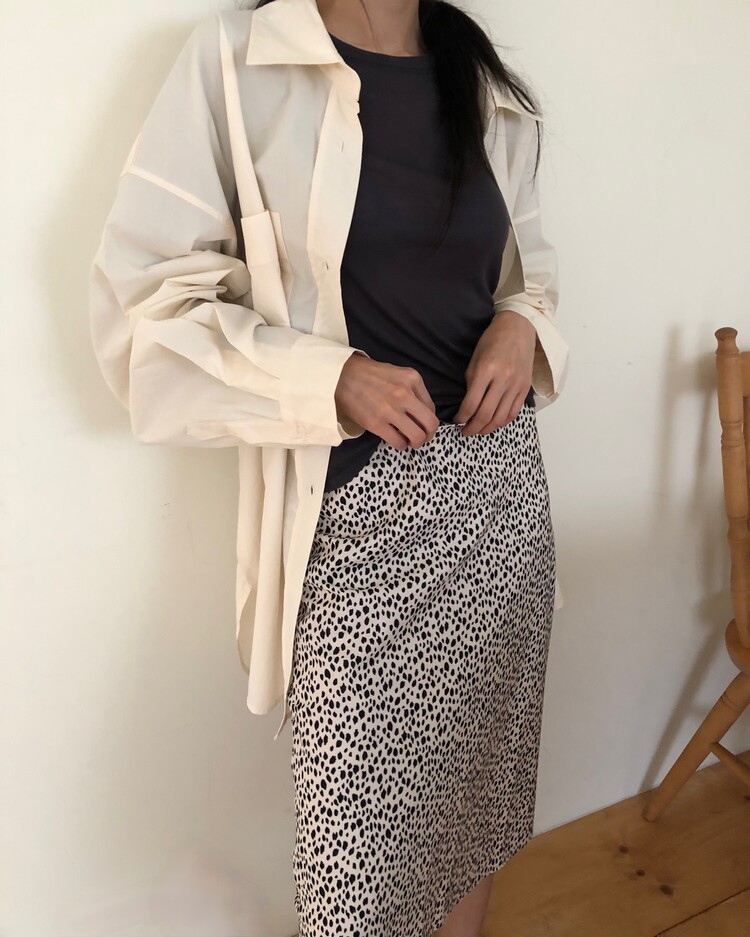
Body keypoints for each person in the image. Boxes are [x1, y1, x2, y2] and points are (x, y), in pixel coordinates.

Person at [88, 0, 570, 934]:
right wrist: (330, 378)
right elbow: (141, 310)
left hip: (500, 495)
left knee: (474, 796)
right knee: (354, 870)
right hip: (352, 518)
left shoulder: (481, 81)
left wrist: (521, 323)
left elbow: (529, 269)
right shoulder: (238, 62)